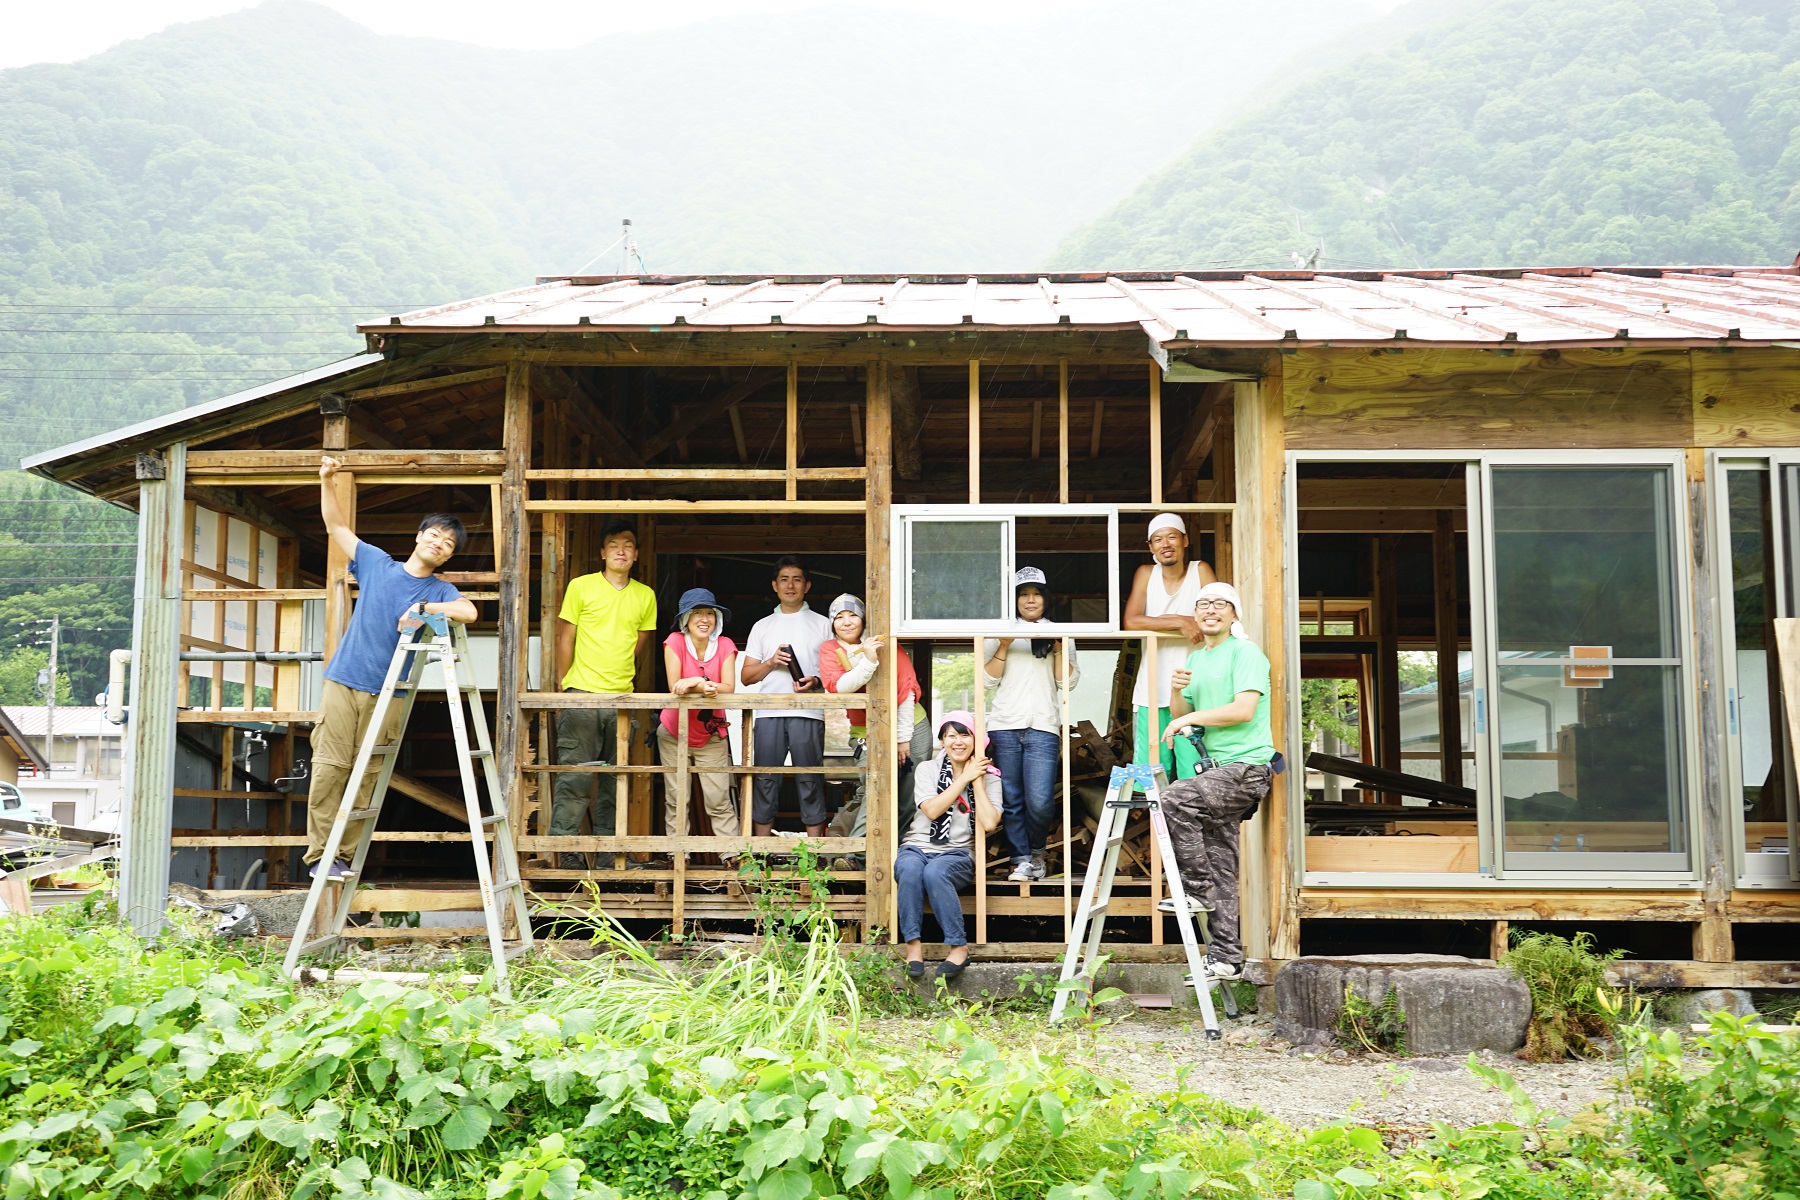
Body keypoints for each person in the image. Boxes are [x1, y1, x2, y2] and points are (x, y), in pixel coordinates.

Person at [310, 456, 478, 879]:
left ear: (448, 556)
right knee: (331, 767)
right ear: (419, 536)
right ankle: (319, 858)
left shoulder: (440, 587)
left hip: (393, 691)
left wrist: (424, 607)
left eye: (448, 544)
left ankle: (343, 856)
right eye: (435, 536)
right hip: (345, 680)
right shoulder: (376, 564)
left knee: (369, 773)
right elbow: (336, 527)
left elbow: (469, 611)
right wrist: (326, 481)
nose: (438, 544)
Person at [1157, 581, 1276, 980]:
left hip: (1247, 769)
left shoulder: (1246, 653)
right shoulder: (1198, 657)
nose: (1210, 609)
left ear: (1233, 614)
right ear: (1196, 614)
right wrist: (1176, 696)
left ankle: (1195, 890)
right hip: (1217, 770)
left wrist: (1187, 718)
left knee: (1174, 800)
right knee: (1223, 861)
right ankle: (1226, 956)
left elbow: (1243, 710)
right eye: (1203, 604)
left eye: (1219, 604)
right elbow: (1184, 709)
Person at [552, 518, 658, 869]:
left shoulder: (645, 595)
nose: (621, 551)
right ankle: (566, 852)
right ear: (602, 553)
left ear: (637, 554)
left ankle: (609, 856)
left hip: (622, 701)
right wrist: (564, 687)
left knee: (617, 783)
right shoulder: (581, 587)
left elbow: (638, 646)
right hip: (581, 693)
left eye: (628, 545)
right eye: (614, 545)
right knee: (575, 778)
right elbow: (565, 637)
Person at [983, 567, 1077, 882]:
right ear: (1015, 600)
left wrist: (1059, 644)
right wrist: (1005, 644)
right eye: (1024, 594)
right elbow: (984, 680)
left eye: (1036, 593)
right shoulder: (1000, 630)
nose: (1030, 600)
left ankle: (1036, 851)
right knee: (1012, 799)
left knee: (1039, 801)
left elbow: (1069, 682)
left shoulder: (1058, 631)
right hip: (1004, 724)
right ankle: (1021, 860)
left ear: (1045, 598)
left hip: (1044, 725)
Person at [817, 593, 923, 870]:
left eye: (852, 615)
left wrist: (902, 739)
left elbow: (906, 690)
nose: (846, 621)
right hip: (866, 729)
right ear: (832, 624)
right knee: (874, 788)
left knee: (908, 794)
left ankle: (898, 854)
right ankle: (856, 856)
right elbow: (839, 686)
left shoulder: (885, 643)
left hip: (910, 724)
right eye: (839, 617)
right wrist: (869, 660)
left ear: (863, 619)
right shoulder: (831, 649)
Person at [896, 711, 1003, 980]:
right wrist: (962, 780)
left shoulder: (990, 777)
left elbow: (990, 823)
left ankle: (959, 947)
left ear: (976, 740)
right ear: (942, 741)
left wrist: (975, 780)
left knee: (935, 873)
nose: (958, 741)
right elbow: (931, 810)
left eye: (964, 734)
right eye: (951, 735)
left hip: (957, 852)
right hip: (918, 846)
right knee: (909, 869)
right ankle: (913, 947)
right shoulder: (927, 769)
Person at [739, 556, 834, 837]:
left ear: (807, 585)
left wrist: (815, 680)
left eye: (796, 579)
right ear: (774, 585)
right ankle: (761, 852)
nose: (790, 585)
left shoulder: (823, 624)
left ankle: (815, 856)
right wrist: (770, 663)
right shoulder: (762, 626)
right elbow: (746, 677)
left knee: (810, 780)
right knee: (766, 780)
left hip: (809, 711)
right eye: (784, 579)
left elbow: (836, 674)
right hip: (768, 713)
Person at [1123, 513, 1216, 778]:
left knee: (1195, 771)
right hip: (1152, 688)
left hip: (1195, 688)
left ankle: (1192, 820)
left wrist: (1157, 621)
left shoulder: (1201, 571)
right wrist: (1180, 621)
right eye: (1158, 539)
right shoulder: (1145, 573)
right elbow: (1131, 621)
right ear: (1150, 547)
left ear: (1185, 540)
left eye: (1172, 537)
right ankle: (1153, 822)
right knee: (1149, 774)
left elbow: (1215, 617)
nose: (1166, 544)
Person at [657, 588, 740, 859]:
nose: (704, 619)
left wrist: (697, 682)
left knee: (718, 798)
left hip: (711, 732)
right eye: (696, 613)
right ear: (685, 620)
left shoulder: (726, 644)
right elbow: (675, 686)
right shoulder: (674, 641)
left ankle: (731, 856)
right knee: (677, 797)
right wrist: (701, 684)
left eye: (709, 613)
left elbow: (728, 688)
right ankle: (677, 855)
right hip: (673, 730)